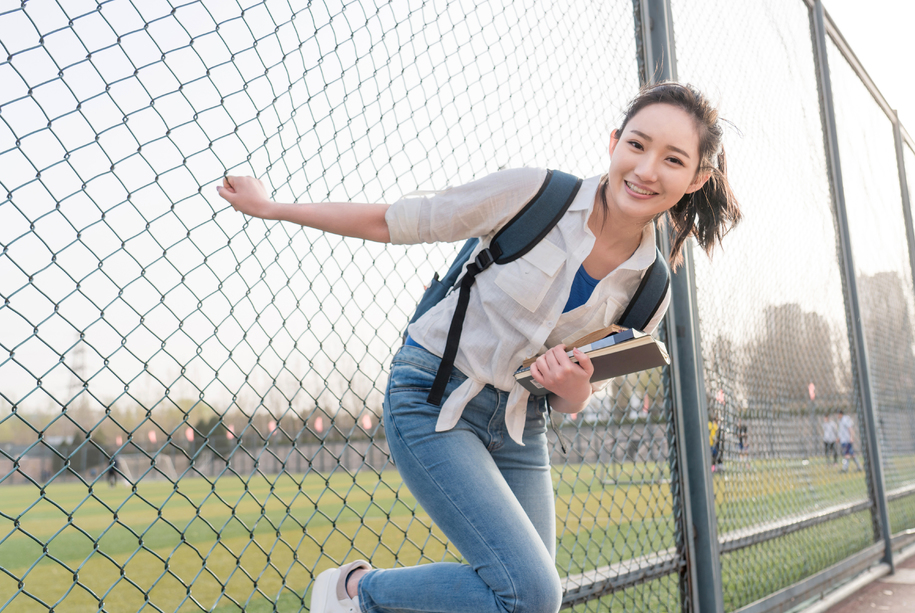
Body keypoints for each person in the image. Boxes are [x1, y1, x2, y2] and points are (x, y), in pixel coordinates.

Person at [217, 82, 741, 613]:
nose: (647, 169)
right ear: (613, 143)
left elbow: (573, 397)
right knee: (532, 595)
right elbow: (396, 220)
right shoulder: (536, 195)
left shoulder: (650, 286)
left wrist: (573, 389)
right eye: (637, 145)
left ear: (697, 178)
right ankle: (354, 593)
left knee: (524, 603)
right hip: (431, 394)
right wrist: (274, 209)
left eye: (672, 159)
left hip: (520, 423)